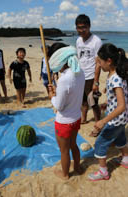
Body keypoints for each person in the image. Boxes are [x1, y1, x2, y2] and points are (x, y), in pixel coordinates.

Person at [88, 43, 128, 181]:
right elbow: (119, 100)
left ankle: (103, 172)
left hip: (115, 119)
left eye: (100, 61)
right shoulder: (117, 74)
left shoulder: (115, 78)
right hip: (122, 119)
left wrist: (102, 121)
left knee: (100, 143)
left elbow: (121, 105)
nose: (98, 65)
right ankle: (126, 160)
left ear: (109, 61)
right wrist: (107, 104)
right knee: (121, 138)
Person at [48, 43, 85, 180]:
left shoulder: (64, 79)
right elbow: (72, 92)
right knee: (73, 145)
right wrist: (57, 89)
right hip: (76, 118)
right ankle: (77, 167)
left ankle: (65, 175)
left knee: (64, 150)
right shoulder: (80, 72)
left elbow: (59, 105)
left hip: (64, 122)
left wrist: (52, 96)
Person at [75, 14, 102, 125]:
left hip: (91, 76)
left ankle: (98, 123)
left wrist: (96, 82)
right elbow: (78, 58)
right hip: (80, 75)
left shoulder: (96, 41)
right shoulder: (78, 41)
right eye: (78, 27)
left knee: (93, 102)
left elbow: (99, 63)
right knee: (82, 100)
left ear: (89, 26)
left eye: (83, 27)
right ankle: (84, 118)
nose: (81, 30)